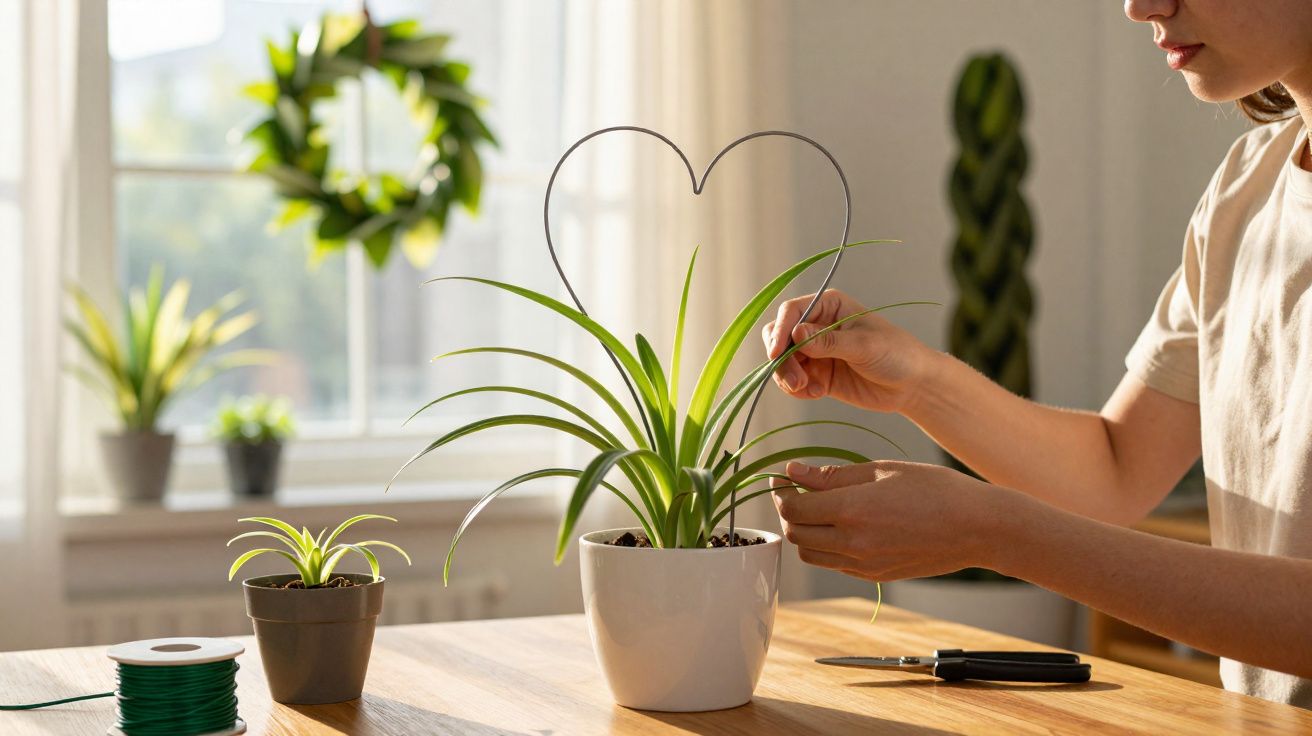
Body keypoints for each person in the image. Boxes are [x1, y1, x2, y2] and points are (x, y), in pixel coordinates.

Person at [763, 0, 1312, 708]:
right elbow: (1116, 469)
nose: (1139, 5)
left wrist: (993, 531)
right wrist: (917, 383)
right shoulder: (1248, 188)